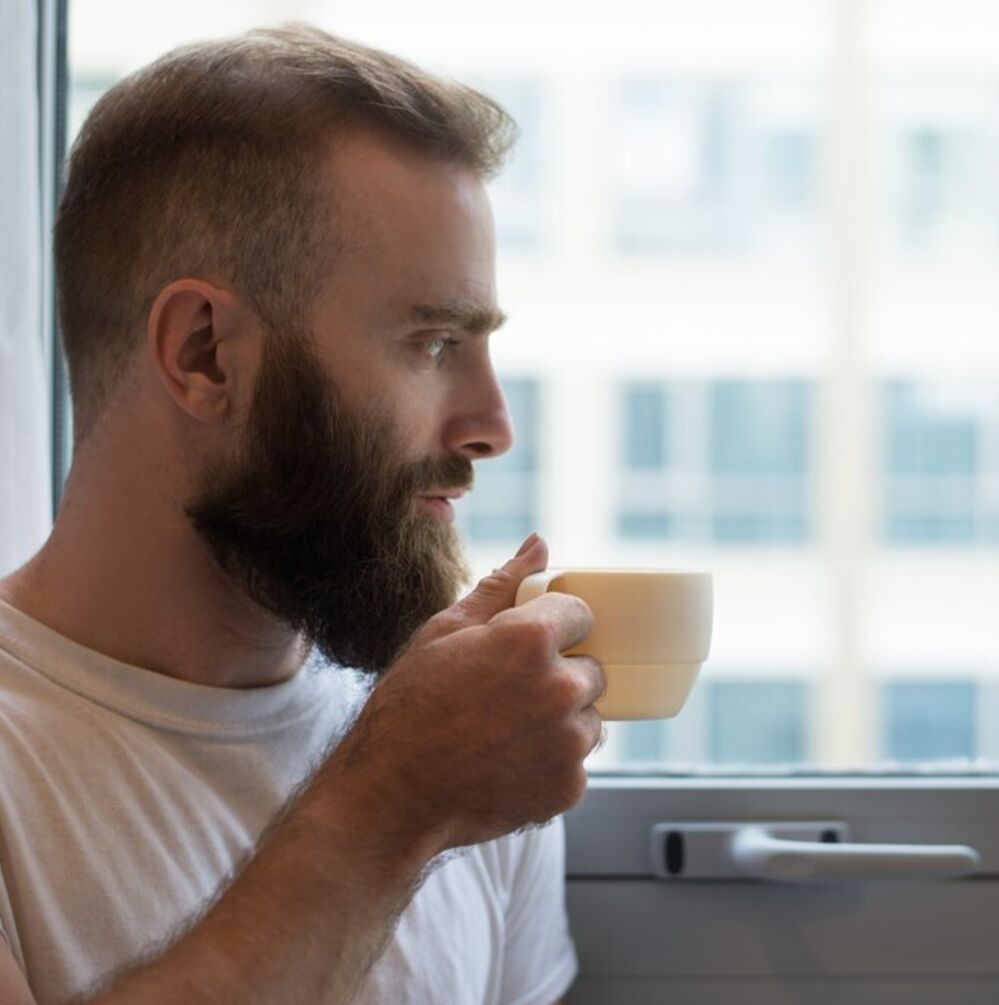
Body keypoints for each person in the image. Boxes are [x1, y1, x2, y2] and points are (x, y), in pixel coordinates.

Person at [0, 23, 606, 1005]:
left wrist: (418, 778)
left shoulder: (471, 743)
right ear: (205, 354)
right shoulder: (436, 761)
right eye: (433, 342)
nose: (493, 426)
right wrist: (392, 802)